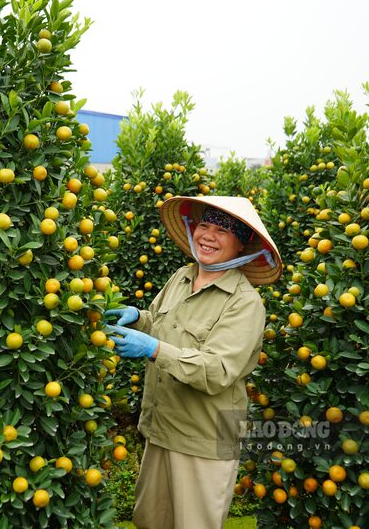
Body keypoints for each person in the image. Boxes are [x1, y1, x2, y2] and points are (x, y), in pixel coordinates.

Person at [106, 196, 282, 529]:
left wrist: (154, 349)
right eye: (205, 225)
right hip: (161, 429)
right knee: (150, 522)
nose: (208, 236)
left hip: (203, 440)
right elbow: (160, 324)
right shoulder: (182, 277)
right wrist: (138, 319)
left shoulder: (244, 303)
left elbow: (217, 370)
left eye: (222, 231)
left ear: (241, 245)